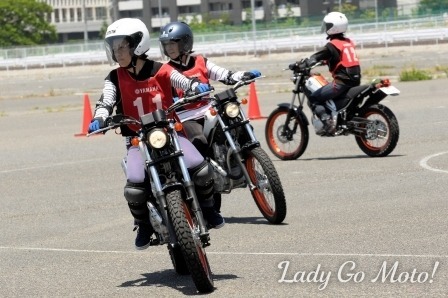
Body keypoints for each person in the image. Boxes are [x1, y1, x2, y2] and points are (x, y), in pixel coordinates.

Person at [88, 18, 224, 251]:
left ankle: (209, 207)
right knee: (134, 185)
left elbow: (181, 80)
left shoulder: (161, 69)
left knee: (201, 169)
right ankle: (143, 224)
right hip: (137, 141)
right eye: (114, 47)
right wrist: (100, 117)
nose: (117, 52)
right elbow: (106, 100)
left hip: (169, 132)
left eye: (122, 46)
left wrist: (194, 87)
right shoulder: (114, 78)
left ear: (137, 45)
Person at [158, 21, 261, 212]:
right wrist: (176, 97)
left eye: (173, 43)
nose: (169, 48)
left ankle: (250, 155)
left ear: (186, 43)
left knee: (235, 119)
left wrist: (243, 75)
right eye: (167, 44)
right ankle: (204, 186)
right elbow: (164, 96)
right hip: (186, 115)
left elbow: (225, 74)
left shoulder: (201, 62)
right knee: (198, 140)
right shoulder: (166, 71)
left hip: (207, 109)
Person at [291, 12, 361, 133]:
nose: (326, 28)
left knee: (314, 98)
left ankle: (327, 121)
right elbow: (340, 58)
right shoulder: (347, 42)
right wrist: (326, 62)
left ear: (333, 27)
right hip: (355, 80)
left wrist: (303, 64)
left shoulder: (332, 45)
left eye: (327, 25)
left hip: (342, 83)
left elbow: (316, 57)